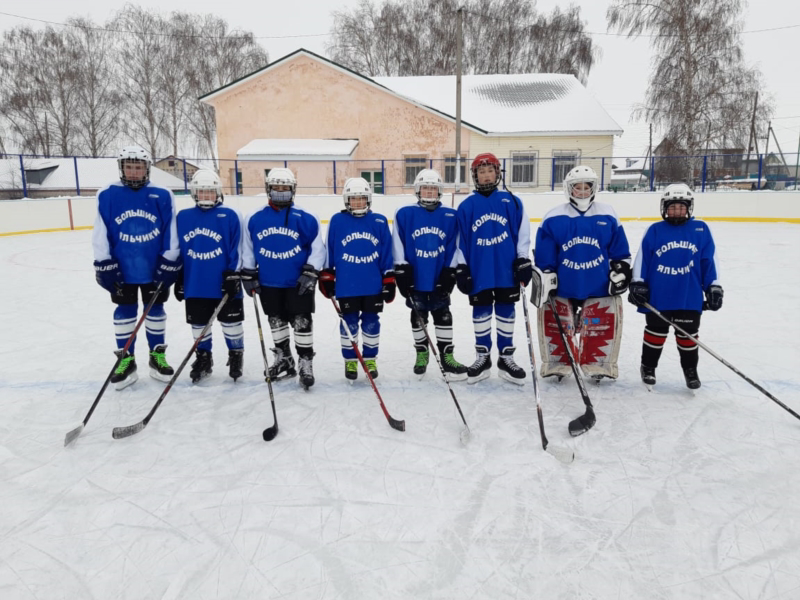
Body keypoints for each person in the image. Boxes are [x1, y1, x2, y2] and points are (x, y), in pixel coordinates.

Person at [531, 165, 632, 382]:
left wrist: (621, 269)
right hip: (565, 284)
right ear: (569, 189)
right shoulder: (554, 216)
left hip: (598, 283)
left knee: (599, 323)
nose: (583, 191)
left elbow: (619, 250)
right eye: (578, 187)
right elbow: (545, 253)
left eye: (588, 187)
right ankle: (557, 361)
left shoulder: (608, 213)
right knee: (557, 322)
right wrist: (546, 275)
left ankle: (598, 363)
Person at [92, 145, 180, 390]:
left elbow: (171, 230)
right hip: (122, 269)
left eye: (138, 167)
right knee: (125, 312)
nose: (133, 172)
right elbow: (100, 232)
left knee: (155, 311)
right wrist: (104, 263)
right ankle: (126, 359)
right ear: (121, 168)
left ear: (147, 169)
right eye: (129, 167)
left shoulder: (163, 194)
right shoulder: (107, 194)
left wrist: (170, 261)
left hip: (154, 269)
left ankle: (156, 356)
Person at [628, 183, 722, 389]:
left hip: (688, 294)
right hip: (659, 294)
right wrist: (637, 283)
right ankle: (648, 366)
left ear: (689, 207)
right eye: (672, 207)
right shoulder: (655, 230)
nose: (677, 211)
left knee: (688, 334)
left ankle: (690, 371)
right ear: (664, 207)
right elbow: (642, 259)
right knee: (655, 331)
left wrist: (713, 286)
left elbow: (708, 261)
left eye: (681, 207)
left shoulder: (701, 230)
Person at [241, 168, 325, 389]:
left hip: (299, 282)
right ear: (268, 188)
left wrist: (311, 270)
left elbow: (318, 249)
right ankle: (284, 359)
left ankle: (305, 361)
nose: (281, 191)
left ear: (293, 189)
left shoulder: (307, 217)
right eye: (276, 187)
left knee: (302, 322)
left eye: (285, 188)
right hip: (268, 281)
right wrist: (248, 272)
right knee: (275, 320)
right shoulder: (254, 217)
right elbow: (248, 249)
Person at [455, 153, 531, 385]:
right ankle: (483, 357)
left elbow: (523, 233)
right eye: (481, 172)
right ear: (475, 176)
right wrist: (462, 267)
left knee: (506, 311)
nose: (486, 176)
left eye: (490, 171)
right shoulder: (467, 206)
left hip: (506, 269)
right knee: (481, 312)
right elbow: (460, 240)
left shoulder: (512, 201)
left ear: (498, 173)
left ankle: (506, 358)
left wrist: (522, 259)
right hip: (479, 269)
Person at [392, 169, 468, 380]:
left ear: (440, 191)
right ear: (417, 190)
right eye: (425, 188)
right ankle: (422, 353)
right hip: (415, 274)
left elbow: (455, 244)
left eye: (433, 189)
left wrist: (450, 271)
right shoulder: (404, 213)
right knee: (418, 315)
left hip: (438, 273)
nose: (429, 192)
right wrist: (401, 269)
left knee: (443, 313)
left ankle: (447, 356)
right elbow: (397, 242)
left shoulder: (450, 216)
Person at [319, 177, 395, 381]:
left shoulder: (379, 221)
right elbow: (330, 249)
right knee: (349, 323)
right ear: (346, 200)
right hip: (346, 285)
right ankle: (350, 361)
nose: (358, 203)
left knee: (371, 322)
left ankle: (370, 358)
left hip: (372, 284)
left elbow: (387, 251)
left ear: (368, 199)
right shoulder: (337, 220)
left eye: (362, 198)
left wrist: (389, 278)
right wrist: (327, 275)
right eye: (354, 199)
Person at [174, 170, 245, 383]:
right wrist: (178, 277)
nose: (206, 196)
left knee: (232, 324)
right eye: (201, 192)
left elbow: (238, 248)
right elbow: (177, 249)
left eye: (210, 192)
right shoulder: (183, 217)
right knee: (198, 325)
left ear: (218, 193)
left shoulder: (230, 215)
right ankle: (204, 357)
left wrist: (234, 274)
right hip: (195, 282)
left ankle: (236, 355)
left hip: (224, 283)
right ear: (194, 193)